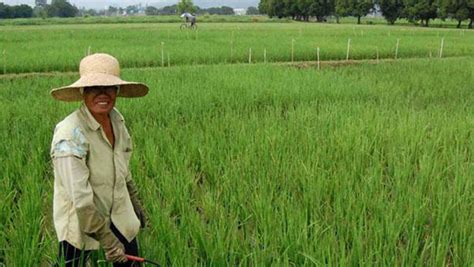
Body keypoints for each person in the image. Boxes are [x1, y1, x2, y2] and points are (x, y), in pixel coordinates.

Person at [50, 53, 149, 266]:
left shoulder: (116, 120)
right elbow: (80, 199)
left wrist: (134, 199)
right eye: (94, 88)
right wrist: (108, 241)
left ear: (117, 91)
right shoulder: (70, 133)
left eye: (109, 87)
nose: (102, 94)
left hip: (119, 214)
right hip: (81, 224)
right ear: (82, 92)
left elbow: (122, 165)